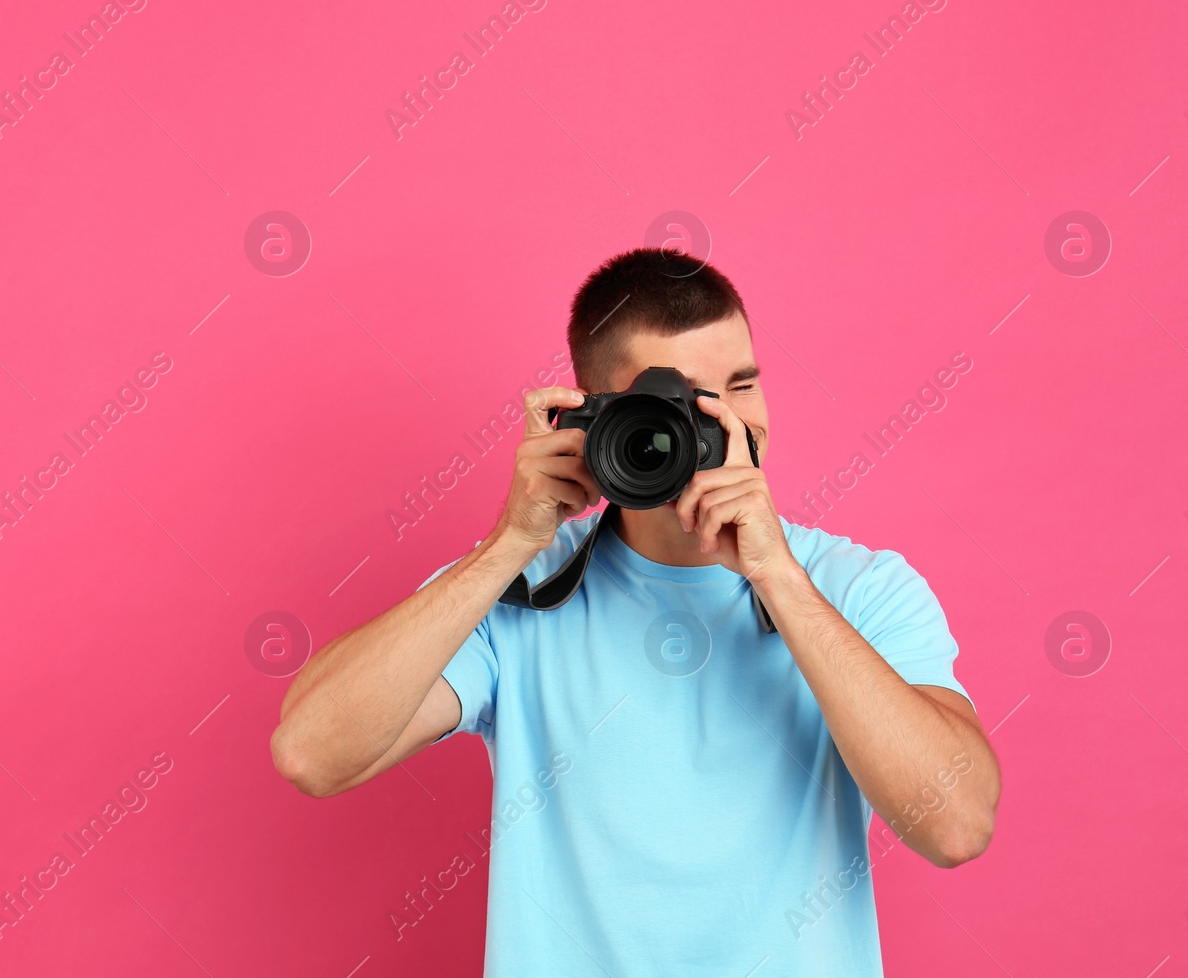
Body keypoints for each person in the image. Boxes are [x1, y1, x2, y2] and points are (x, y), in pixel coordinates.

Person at [271, 248, 1001, 975]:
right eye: (680, 402)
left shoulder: (858, 588)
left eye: (740, 386)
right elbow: (311, 753)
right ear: (597, 417)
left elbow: (958, 825)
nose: (726, 424)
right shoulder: (520, 591)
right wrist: (508, 544)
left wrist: (777, 574)